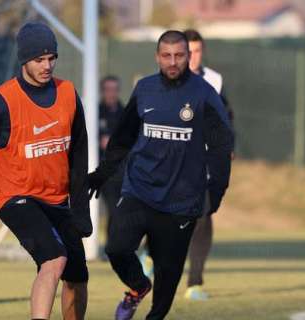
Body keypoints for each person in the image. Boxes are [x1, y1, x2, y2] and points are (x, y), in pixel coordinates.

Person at [88, 30, 234, 320]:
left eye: (179, 55)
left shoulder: (204, 94)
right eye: (166, 55)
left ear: (188, 57)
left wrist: (214, 194)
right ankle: (139, 286)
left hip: (182, 202)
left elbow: (221, 146)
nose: (173, 61)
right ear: (157, 57)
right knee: (116, 248)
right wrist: (102, 173)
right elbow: (123, 137)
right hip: (140, 191)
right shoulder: (144, 89)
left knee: (167, 284)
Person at [0, 22, 92, 320]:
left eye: (51, 58)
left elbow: (79, 153)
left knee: (77, 276)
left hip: (56, 198)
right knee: (54, 259)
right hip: (14, 196)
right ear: (24, 60)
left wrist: (80, 209)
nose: (47, 65)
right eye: (39, 60)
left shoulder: (68, 93)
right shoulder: (1, 102)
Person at [183, 28, 235, 301]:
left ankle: (194, 283)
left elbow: (226, 117)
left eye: (197, 51)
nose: (192, 57)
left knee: (202, 217)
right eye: (187, 51)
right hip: (172, 161)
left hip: (203, 160)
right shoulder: (166, 81)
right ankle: (149, 251)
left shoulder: (214, 80)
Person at [98, 75, 125, 238]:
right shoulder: (94, 113)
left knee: (124, 210)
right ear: (102, 91)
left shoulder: (125, 113)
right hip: (103, 171)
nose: (111, 93)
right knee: (114, 208)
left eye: (114, 89)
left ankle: (119, 245)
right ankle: (111, 246)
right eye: (108, 89)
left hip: (123, 170)